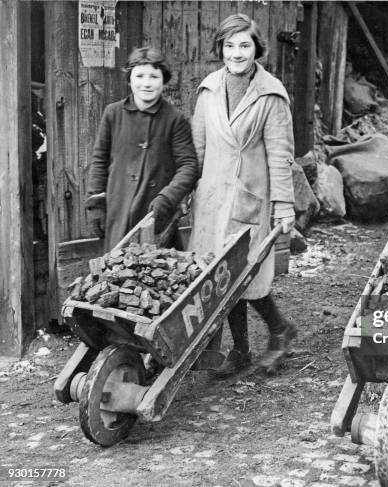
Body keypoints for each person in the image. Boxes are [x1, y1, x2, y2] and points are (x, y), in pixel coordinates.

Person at [189, 14, 296, 375]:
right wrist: (187, 192)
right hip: (212, 197)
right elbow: (198, 149)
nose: (237, 53)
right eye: (230, 45)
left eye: (244, 45)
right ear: (220, 48)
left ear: (257, 49)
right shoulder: (208, 89)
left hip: (250, 195)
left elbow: (281, 156)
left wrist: (284, 207)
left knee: (246, 273)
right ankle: (241, 350)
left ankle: (280, 329)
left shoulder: (271, 93)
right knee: (219, 276)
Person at [86, 47, 199, 252]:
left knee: (158, 274)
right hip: (119, 209)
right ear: (129, 80)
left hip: (156, 214)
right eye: (139, 76)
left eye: (154, 77)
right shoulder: (113, 113)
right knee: (118, 271)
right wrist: (96, 203)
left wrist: (167, 198)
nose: (146, 83)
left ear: (163, 81)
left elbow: (189, 165)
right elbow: (99, 159)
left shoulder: (175, 119)